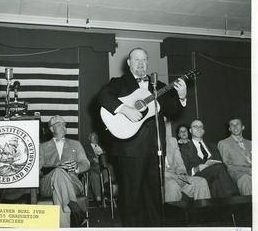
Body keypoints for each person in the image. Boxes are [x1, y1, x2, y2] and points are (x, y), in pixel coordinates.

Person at [97, 47, 187, 227]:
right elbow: (103, 96)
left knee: (155, 195)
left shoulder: (158, 86)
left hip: (156, 150)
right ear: (129, 63)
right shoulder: (119, 82)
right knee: (133, 197)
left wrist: (182, 97)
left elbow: (171, 109)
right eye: (136, 59)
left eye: (144, 59)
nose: (140, 63)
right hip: (130, 149)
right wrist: (126, 109)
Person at [39, 115, 90, 227]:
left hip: (72, 183)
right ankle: (76, 209)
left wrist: (77, 166)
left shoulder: (76, 144)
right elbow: (38, 169)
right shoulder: (42, 147)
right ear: (52, 129)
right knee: (58, 172)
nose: (62, 126)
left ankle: (74, 211)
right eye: (58, 124)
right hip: (48, 184)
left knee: (59, 192)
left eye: (64, 124)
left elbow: (86, 163)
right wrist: (57, 166)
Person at [180, 119, 239, 198]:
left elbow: (221, 163)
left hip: (215, 174)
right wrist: (196, 169)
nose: (199, 128)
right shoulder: (184, 148)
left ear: (204, 131)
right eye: (195, 127)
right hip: (198, 176)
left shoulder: (212, 146)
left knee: (217, 182)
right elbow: (183, 169)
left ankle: (224, 206)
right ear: (190, 130)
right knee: (219, 168)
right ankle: (235, 198)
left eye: (201, 127)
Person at [165, 136, 210, 202]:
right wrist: (173, 176)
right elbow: (151, 170)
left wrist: (182, 174)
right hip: (161, 177)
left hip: (176, 175)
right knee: (173, 186)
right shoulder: (147, 141)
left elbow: (180, 164)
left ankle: (202, 211)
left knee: (201, 182)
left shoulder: (171, 140)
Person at [217, 117, 252, 195]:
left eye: (237, 124)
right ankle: (250, 206)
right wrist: (247, 170)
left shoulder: (251, 143)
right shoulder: (223, 143)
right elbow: (226, 166)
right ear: (229, 129)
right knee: (246, 178)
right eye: (232, 125)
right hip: (237, 174)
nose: (235, 127)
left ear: (243, 127)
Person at [83, 132, 104, 206]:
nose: (94, 138)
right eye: (92, 136)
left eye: (96, 136)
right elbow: (83, 158)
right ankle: (98, 198)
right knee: (94, 175)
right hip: (92, 166)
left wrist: (102, 160)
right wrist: (93, 159)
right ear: (89, 138)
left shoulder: (103, 147)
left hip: (103, 166)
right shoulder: (85, 147)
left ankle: (109, 194)